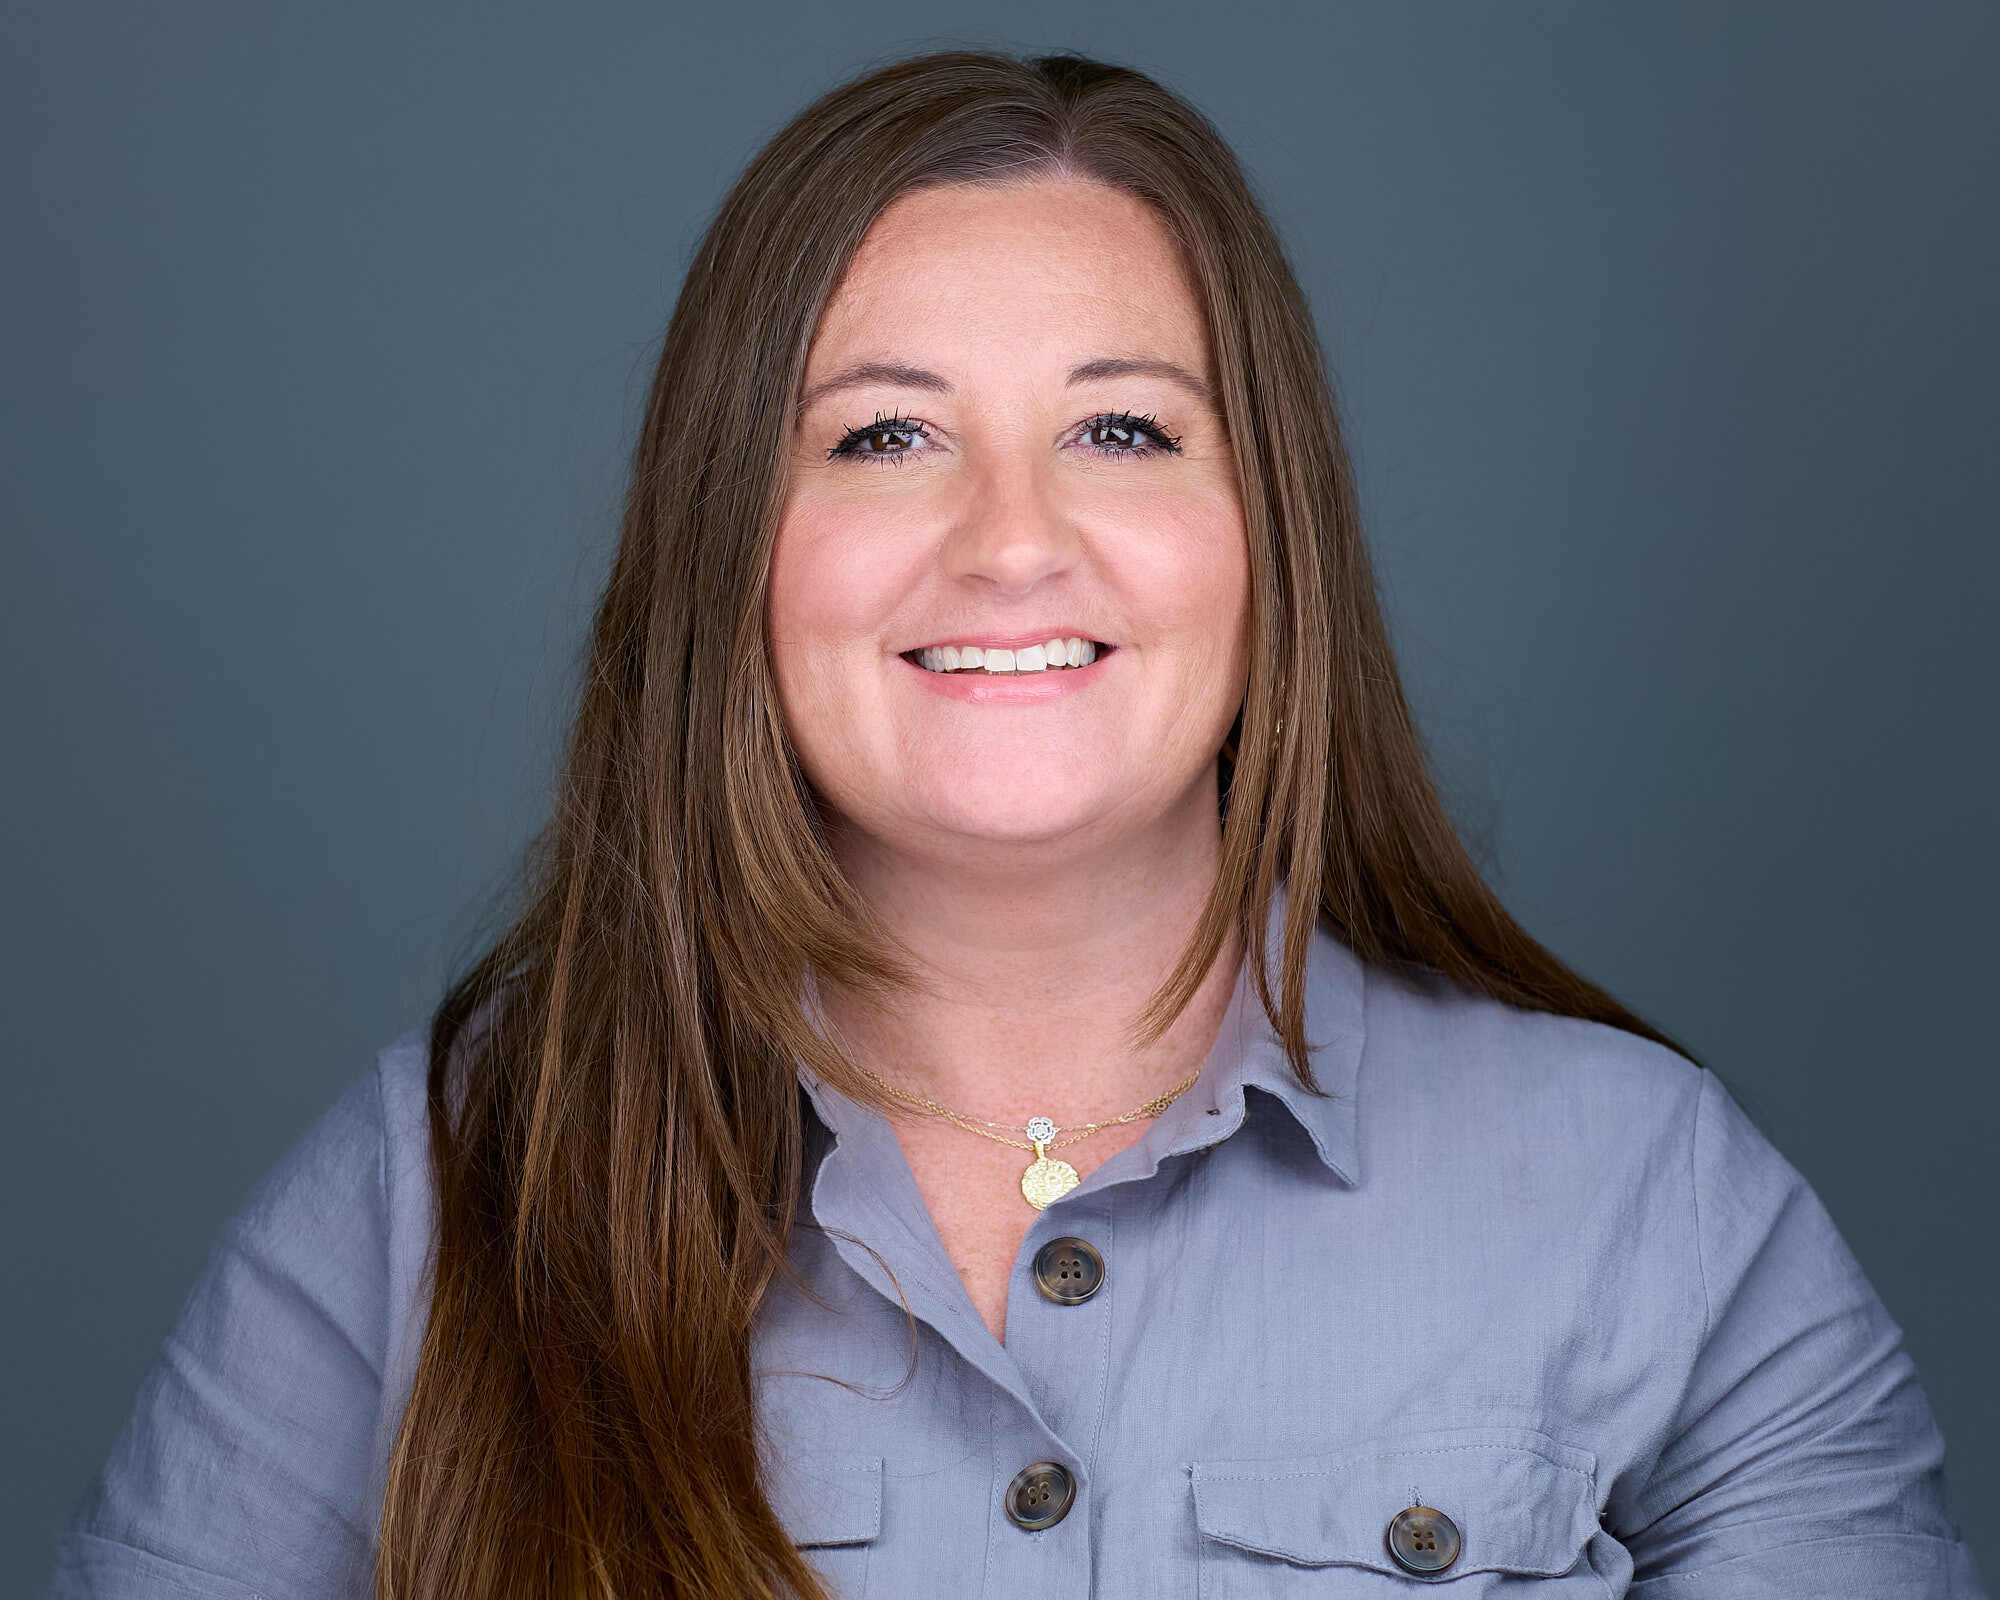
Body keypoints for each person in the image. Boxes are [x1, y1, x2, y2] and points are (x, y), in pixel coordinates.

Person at [45, 46, 1985, 1600]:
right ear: (730, 550)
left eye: (1122, 428)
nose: (1009, 538)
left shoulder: (1654, 1204)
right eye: (883, 434)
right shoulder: (438, 1186)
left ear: (1267, 535)